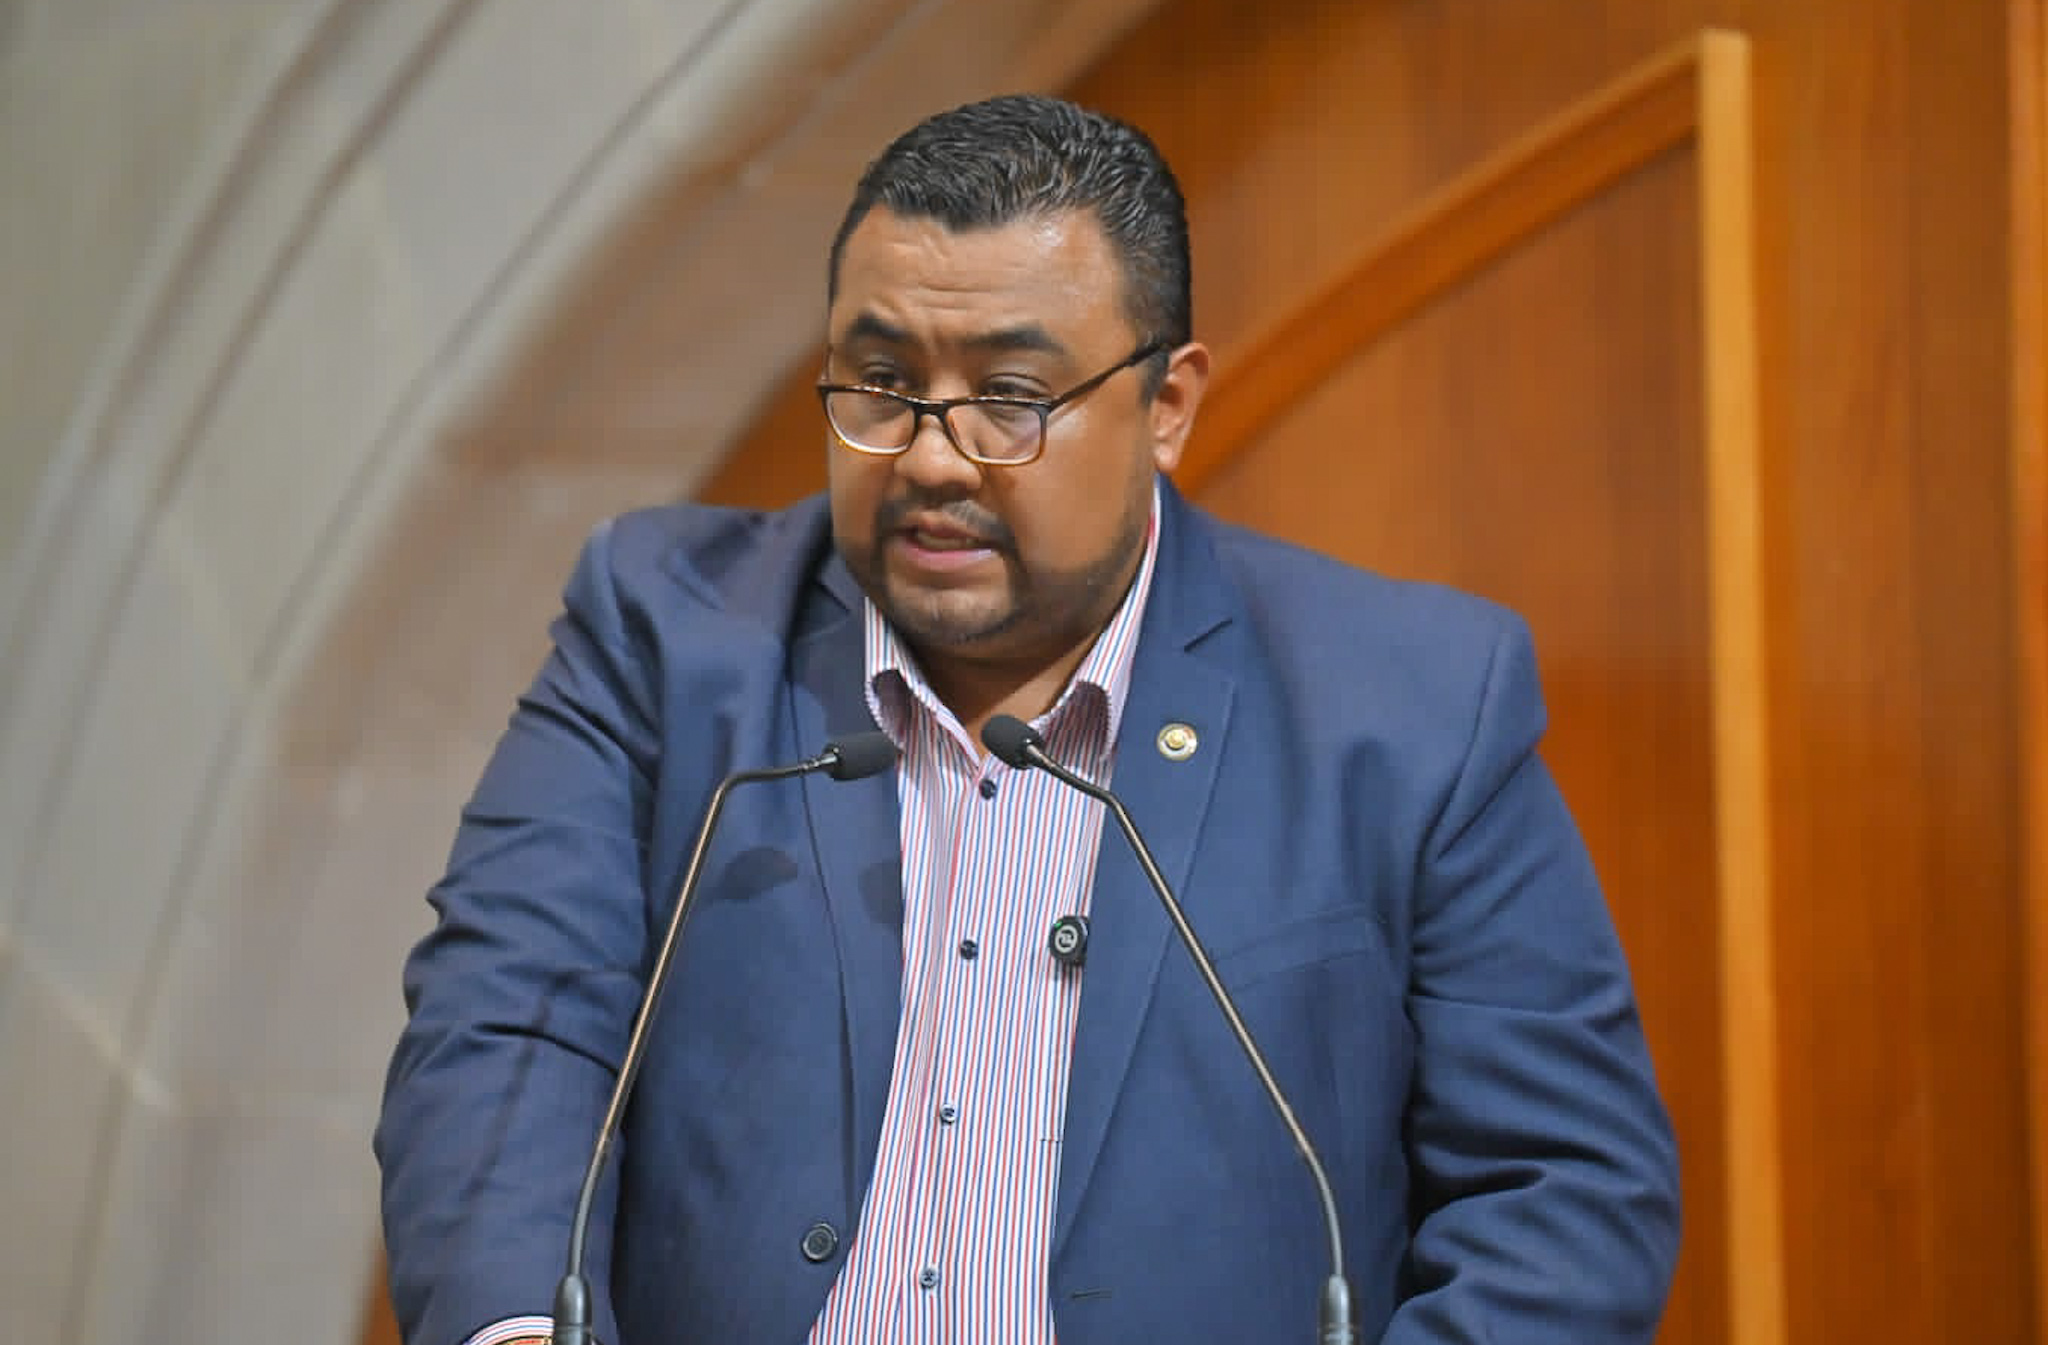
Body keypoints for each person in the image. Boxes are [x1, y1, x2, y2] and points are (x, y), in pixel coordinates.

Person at [375, 94, 1680, 1345]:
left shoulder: (1410, 708)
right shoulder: (666, 636)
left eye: (1009, 396)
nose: (931, 456)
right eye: (879, 382)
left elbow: (1565, 1192)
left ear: (1167, 405)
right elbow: (507, 1029)